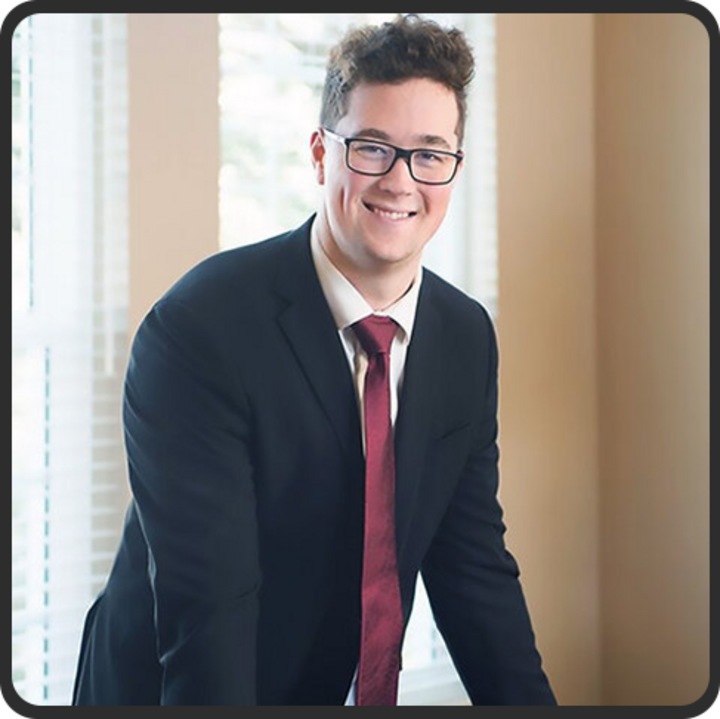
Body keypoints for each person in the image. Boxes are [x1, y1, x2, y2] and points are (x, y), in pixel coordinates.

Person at [72, 14, 556, 706]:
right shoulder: (200, 330)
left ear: (454, 168)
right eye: (372, 148)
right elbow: (210, 616)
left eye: (429, 154)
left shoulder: (464, 337)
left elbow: (475, 572)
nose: (401, 181)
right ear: (321, 154)